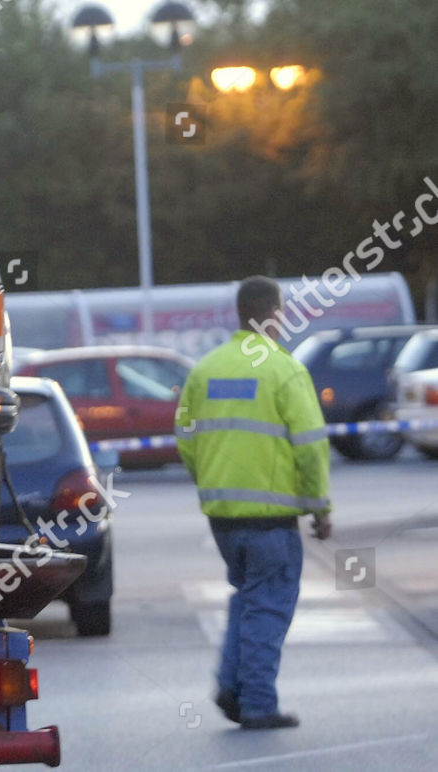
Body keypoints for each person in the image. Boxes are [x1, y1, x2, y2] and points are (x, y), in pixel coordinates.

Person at [174, 276, 332, 730]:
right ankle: (257, 702)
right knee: (268, 604)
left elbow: (184, 436)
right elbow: (310, 445)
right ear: (276, 314)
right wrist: (320, 508)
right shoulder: (285, 370)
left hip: (223, 517)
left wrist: (209, 478)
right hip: (271, 519)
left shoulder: (206, 370)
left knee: (248, 598)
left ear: (240, 314)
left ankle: (231, 686)